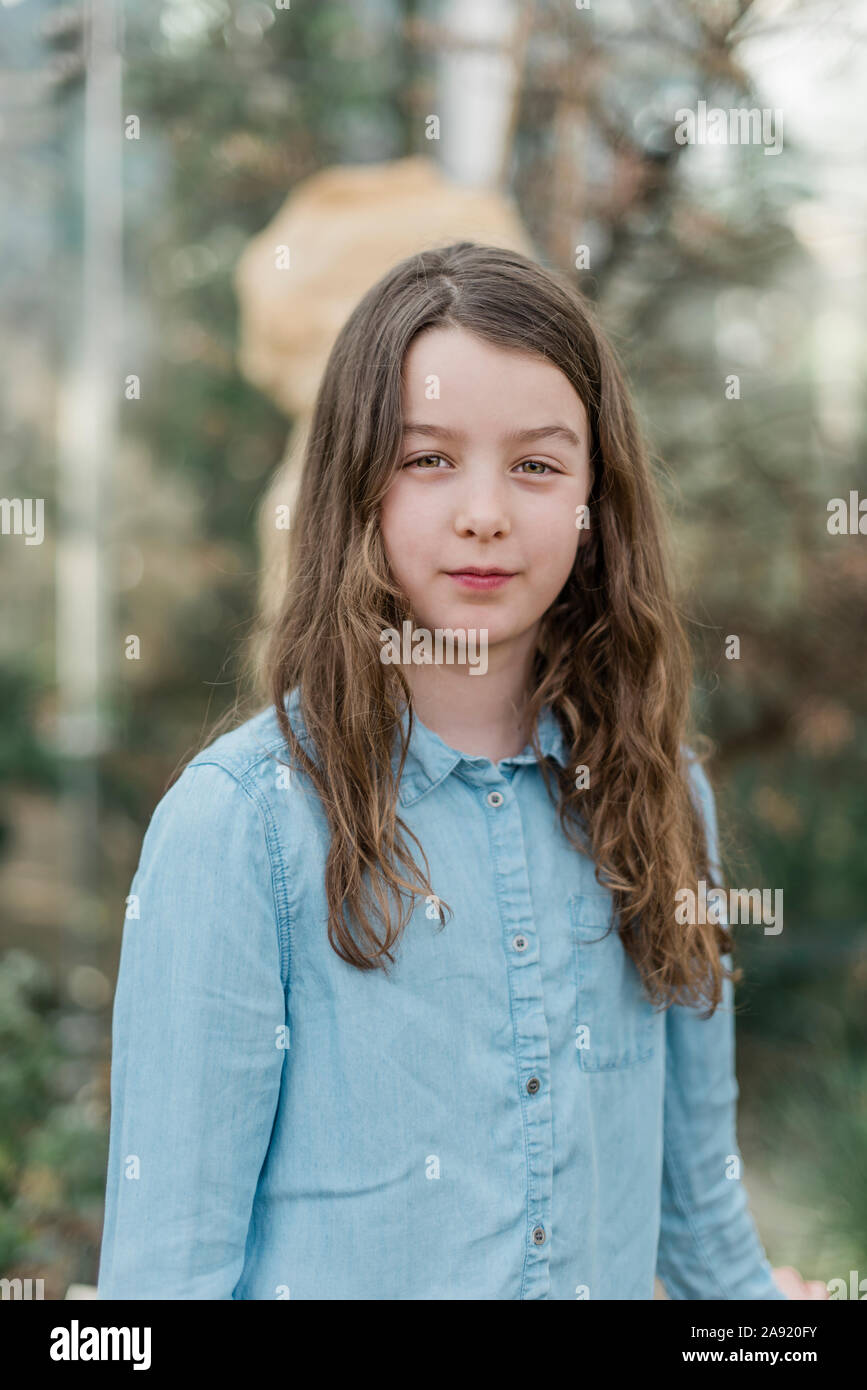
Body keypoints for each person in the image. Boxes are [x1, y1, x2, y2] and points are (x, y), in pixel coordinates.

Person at [97, 241, 826, 1300]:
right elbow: (163, 1288)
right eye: (429, 457)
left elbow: (705, 1237)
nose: (485, 511)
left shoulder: (663, 798)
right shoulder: (239, 829)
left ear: (595, 500)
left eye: (536, 464)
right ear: (358, 485)